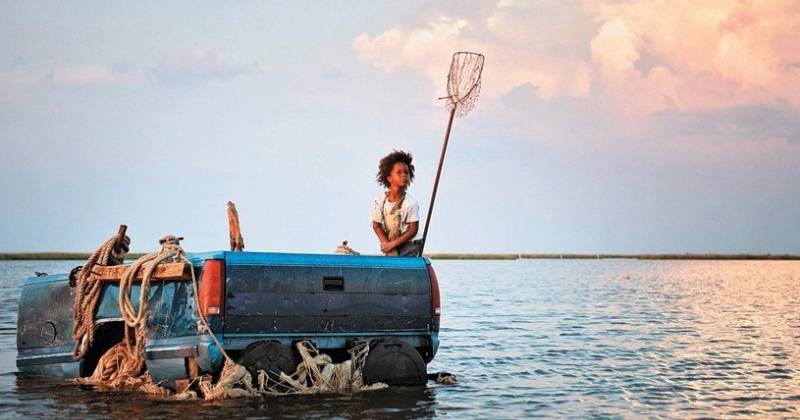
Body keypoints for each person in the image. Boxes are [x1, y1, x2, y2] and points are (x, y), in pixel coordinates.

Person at [371, 150, 423, 256]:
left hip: (410, 243)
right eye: (399, 172)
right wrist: (386, 243)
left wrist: (393, 244)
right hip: (391, 241)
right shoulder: (379, 201)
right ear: (389, 178)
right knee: (391, 258)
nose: (404, 175)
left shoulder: (411, 203)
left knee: (400, 260)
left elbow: (413, 230)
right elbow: (376, 225)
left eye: (406, 172)